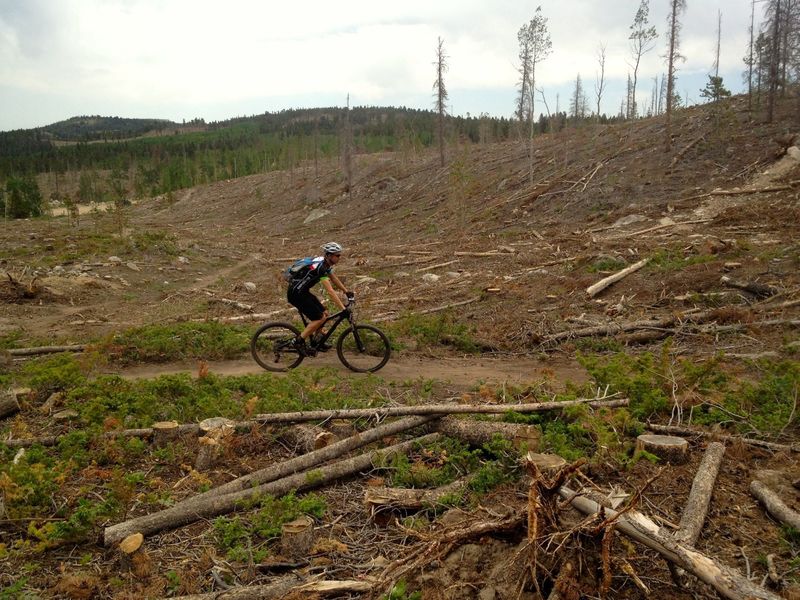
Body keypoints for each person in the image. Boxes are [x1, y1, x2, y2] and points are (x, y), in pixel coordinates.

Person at [287, 241, 353, 355]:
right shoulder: (321, 268)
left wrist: (346, 291)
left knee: (325, 313)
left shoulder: (325, 264)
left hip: (302, 292)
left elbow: (334, 278)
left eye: (339, 255)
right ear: (329, 255)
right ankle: (298, 341)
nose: (339, 258)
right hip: (296, 294)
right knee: (319, 318)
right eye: (337, 255)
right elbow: (330, 291)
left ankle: (317, 341)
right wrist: (343, 308)